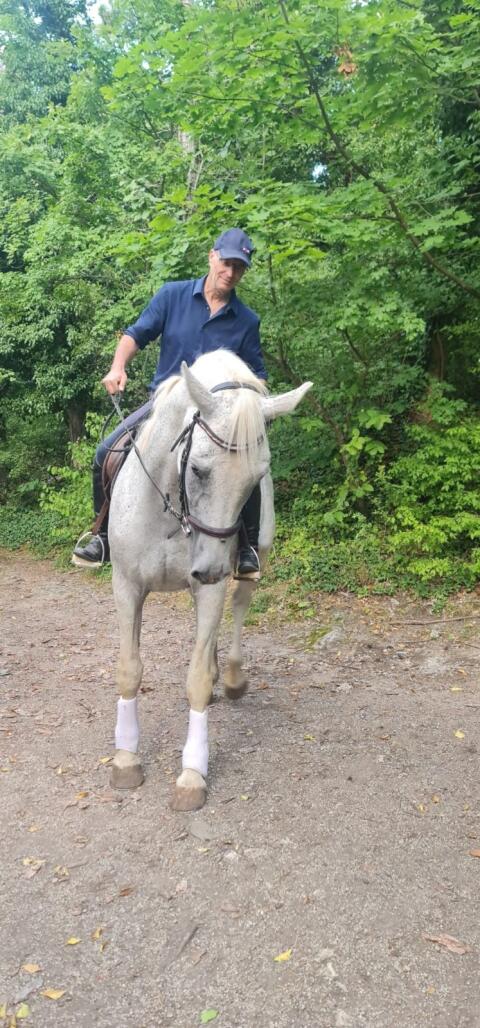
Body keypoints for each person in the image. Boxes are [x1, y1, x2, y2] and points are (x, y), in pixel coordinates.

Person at [72, 228, 266, 577]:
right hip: (165, 405)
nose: (231, 272)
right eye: (226, 262)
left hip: (215, 417)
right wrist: (118, 367)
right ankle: (101, 536)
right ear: (212, 256)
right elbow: (136, 333)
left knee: (245, 468)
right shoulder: (172, 296)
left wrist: (249, 405)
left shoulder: (247, 321)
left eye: (239, 266)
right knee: (105, 452)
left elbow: (259, 377)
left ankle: (247, 547)